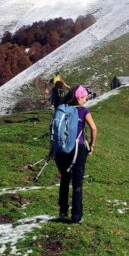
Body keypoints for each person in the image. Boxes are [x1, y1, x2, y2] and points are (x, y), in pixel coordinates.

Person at [54, 85, 97, 224]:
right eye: (84, 97)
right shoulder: (83, 111)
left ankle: (62, 211)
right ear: (79, 97)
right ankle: (76, 216)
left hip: (61, 150)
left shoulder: (62, 109)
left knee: (64, 179)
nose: (85, 100)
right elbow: (94, 128)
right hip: (78, 149)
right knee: (77, 182)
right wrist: (92, 145)